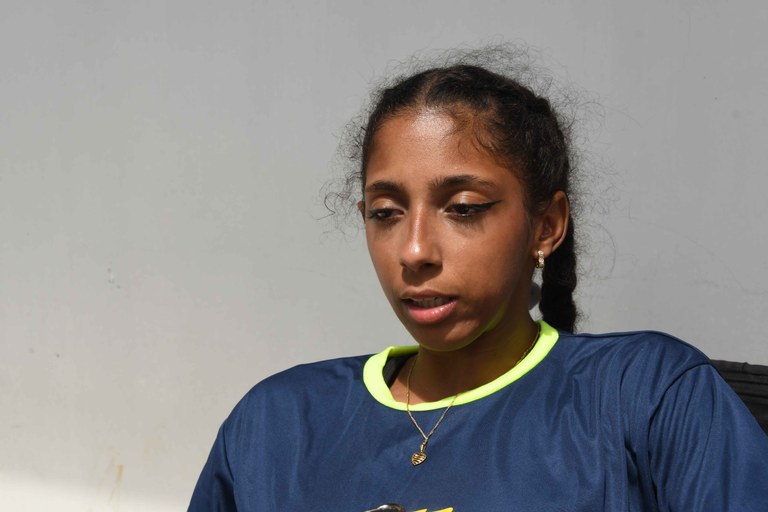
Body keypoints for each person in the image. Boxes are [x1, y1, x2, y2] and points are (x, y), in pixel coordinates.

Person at [189, 54, 768, 511]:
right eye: (386, 213)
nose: (414, 250)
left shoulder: (647, 395)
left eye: (463, 208)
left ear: (546, 225)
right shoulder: (275, 426)